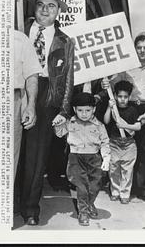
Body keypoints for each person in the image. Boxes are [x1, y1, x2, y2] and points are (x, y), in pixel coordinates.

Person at [19, 0, 74, 225]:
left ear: (58, 12)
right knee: (15, 151)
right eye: (41, 4)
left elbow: (69, 78)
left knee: (36, 156)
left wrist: (63, 110)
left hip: (47, 96)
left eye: (51, 6)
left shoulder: (65, 41)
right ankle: (11, 201)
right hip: (19, 89)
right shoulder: (18, 30)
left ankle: (30, 208)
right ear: (35, 7)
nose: (45, 10)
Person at [102, 33, 145, 202]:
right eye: (139, 48)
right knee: (124, 151)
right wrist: (106, 84)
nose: (142, 51)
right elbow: (113, 84)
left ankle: (142, 190)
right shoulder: (126, 67)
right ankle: (120, 186)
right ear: (134, 49)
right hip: (128, 108)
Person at [54, 92, 111, 226]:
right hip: (76, 158)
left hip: (94, 159)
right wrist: (58, 124)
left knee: (95, 186)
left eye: (88, 110)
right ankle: (83, 211)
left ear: (94, 109)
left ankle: (90, 203)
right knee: (82, 187)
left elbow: (105, 142)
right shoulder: (70, 123)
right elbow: (59, 134)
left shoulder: (99, 126)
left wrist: (106, 158)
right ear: (74, 109)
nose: (84, 114)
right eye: (80, 110)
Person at [103, 80, 141, 204]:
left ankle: (125, 193)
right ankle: (115, 191)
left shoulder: (133, 110)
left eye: (125, 97)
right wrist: (109, 107)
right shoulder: (114, 108)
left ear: (129, 97)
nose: (122, 99)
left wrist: (126, 126)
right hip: (114, 143)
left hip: (129, 144)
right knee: (113, 169)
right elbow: (106, 121)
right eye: (120, 96)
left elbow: (138, 127)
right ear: (115, 96)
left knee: (127, 170)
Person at [14, 30, 42, 179]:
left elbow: (32, 75)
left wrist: (30, 105)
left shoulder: (20, 39)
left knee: (9, 156)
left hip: (11, 100)